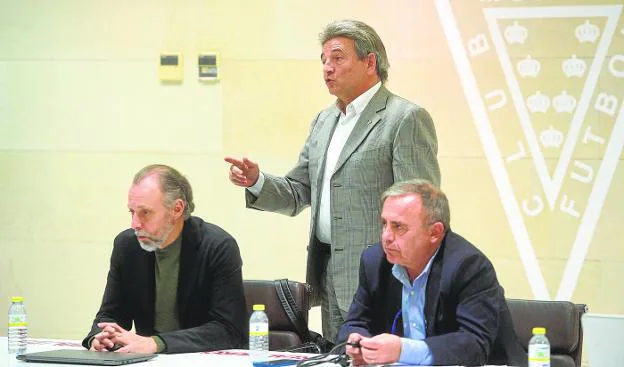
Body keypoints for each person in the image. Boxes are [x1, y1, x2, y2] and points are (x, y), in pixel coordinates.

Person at [225, 19, 440, 341]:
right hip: (328, 273)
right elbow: (299, 191)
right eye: (324, 60)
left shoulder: (404, 118)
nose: (327, 68)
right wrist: (257, 182)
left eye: (338, 58)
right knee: (338, 358)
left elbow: (421, 207)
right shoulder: (324, 121)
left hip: (383, 276)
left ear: (370, 62)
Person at [338, 179, 526, 366]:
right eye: (384, 224)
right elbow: (355, 322)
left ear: (435, 232)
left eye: (398, 226)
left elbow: (474, 345)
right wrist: (357, 342)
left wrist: (402, 350)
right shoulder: (374, 261)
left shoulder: (469, 266)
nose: (386, 236)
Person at [82, 164, 247, 354]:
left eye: (145, 212)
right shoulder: (127, 246)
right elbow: (111, 314)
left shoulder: (217, 246)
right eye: (132, 212)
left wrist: (157, 343)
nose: (134, 224)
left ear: (176, 209)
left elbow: (228, 329)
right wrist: (101, 337)